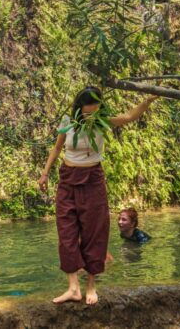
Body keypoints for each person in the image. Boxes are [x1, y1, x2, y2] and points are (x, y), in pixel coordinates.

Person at [38, 86, 158, 305]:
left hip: (92, 179)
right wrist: (45, 174)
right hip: (67, 178)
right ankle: (73, 288)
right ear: (79, 107)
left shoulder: (103, 122)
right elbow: (56, 148)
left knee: (94, 231)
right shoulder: (68, 122)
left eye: (95, 110)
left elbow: (129, 116)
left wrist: (148, 100)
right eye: (88, 111)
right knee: (66, 231)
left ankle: (91, 285)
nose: (91, 115)